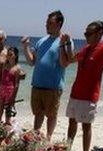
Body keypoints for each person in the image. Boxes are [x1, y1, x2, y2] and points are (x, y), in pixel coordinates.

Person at [64, 21, 103, 151]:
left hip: (90, 96)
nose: (86, 36)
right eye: (85, 33)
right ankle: (67, 150)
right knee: (71, 123)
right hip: (75, 93)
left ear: (99, 34)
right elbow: (71, 59)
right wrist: (68, 43)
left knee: (86, 127)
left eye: (88, 33)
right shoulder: (85, 48)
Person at [21, 10, 71, 140]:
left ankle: (48, 138)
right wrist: (26, 47)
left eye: (50, 23)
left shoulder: (65, 41)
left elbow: (65, 63)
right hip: (37, 84)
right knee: (38, 114)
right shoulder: (41, 41)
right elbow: (32, 62)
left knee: (51, 115)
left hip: (53, 86)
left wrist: (61, 46)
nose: (46, 25)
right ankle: (36, 136)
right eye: (46, 23)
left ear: (59, 24)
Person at [0, 47, 25, 125]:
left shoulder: (17, 68)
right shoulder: (4, 64)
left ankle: (7, 124)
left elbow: (17, 84)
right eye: (8, 54)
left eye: (11, 54)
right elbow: (1, 78)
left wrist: (13, 97)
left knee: (8, 111)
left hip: (10, 90)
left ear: (15, 55)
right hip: (1, 89)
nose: (9, 56)